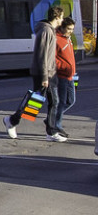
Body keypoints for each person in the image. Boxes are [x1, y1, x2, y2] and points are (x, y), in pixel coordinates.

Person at [10, 9, 67, 140]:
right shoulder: (46, 31)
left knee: (46, 101)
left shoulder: (49, 30)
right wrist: (44, 77)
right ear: (57, 17)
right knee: (39, 101)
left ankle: (14, 121)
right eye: (62, 17)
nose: (62, 20)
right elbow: (42, 56)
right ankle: (14, 121)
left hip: (49, 72)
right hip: (44, 73)